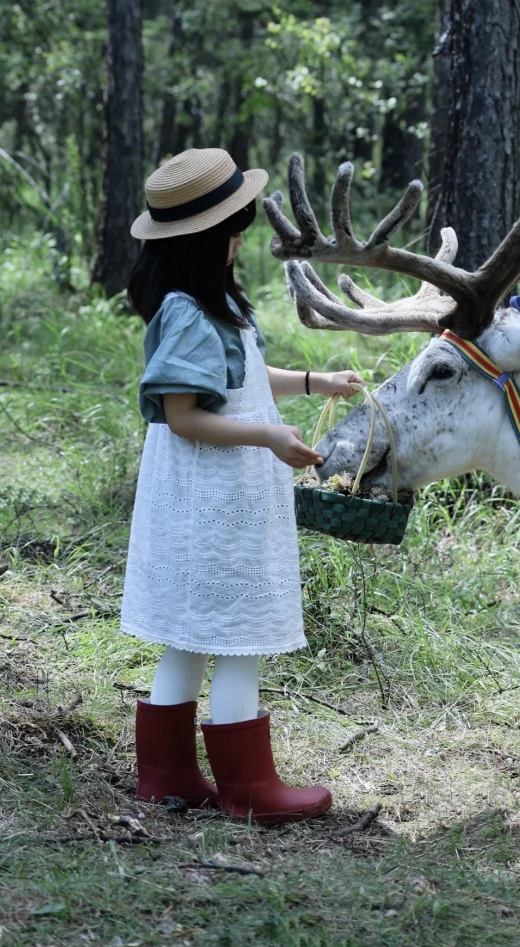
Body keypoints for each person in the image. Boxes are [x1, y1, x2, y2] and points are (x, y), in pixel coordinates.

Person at [120, 146, 359, 823]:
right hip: (213, 498)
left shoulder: (206, 304)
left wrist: (314, 382)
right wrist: (270, 437)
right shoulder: (189, 313)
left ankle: (165, 775)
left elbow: (241, 377)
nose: (239, 236)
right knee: (236, 633)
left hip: (217, 495)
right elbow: (183, 414)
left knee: (191, 633)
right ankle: (249, 789)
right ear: (202, 239)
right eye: (232, 226)